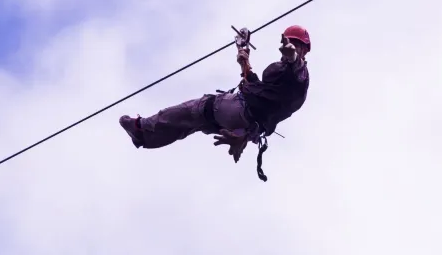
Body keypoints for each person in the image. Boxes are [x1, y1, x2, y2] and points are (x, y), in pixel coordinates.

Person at [119, 24, 311, 163]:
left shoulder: (298, 79)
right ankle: (144, 138)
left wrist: (293, 57)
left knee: (193, 110)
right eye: (290, 43)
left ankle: (141, 128)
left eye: (296, 45)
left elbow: (298, 71)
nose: (291, 47)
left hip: (238, 113)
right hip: (243, 122)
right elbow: (256, 89)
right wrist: (243, 54)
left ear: (304, 50)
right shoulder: (277, 87)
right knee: (189, 125)